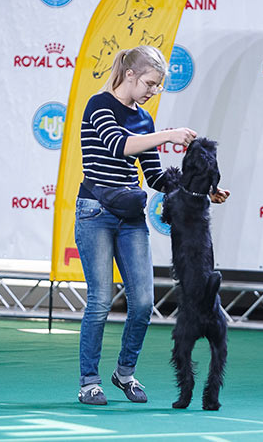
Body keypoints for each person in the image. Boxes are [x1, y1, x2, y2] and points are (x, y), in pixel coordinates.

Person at [75, 45, 229, 405]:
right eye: (150, 83)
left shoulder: (144, 119)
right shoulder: (98, 106)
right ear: (129, 74)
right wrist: (168, 134)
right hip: (95, 212)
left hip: (131, 217)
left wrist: (204, 190)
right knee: (100, 301)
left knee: (144, 302)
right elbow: (119, 146)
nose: (153, 91)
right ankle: (89, 381)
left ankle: (124, 373)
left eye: (158, 86)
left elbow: (157, 177)